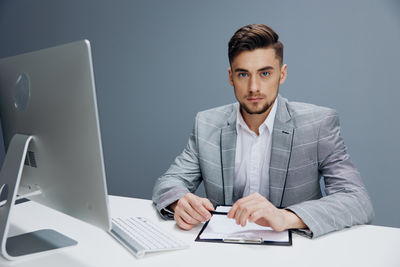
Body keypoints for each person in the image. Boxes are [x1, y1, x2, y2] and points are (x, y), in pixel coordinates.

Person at [152, 24, 374, 238]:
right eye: (243, 74)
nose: (254, 87)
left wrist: (285, 217)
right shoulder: (207, 123)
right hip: (222, 251)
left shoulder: (319, 124)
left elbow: (357, 200)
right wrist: (180, 201)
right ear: (231, 77)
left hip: (296, 253)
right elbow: (169, 182)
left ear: (282, 74)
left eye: (265, 74)